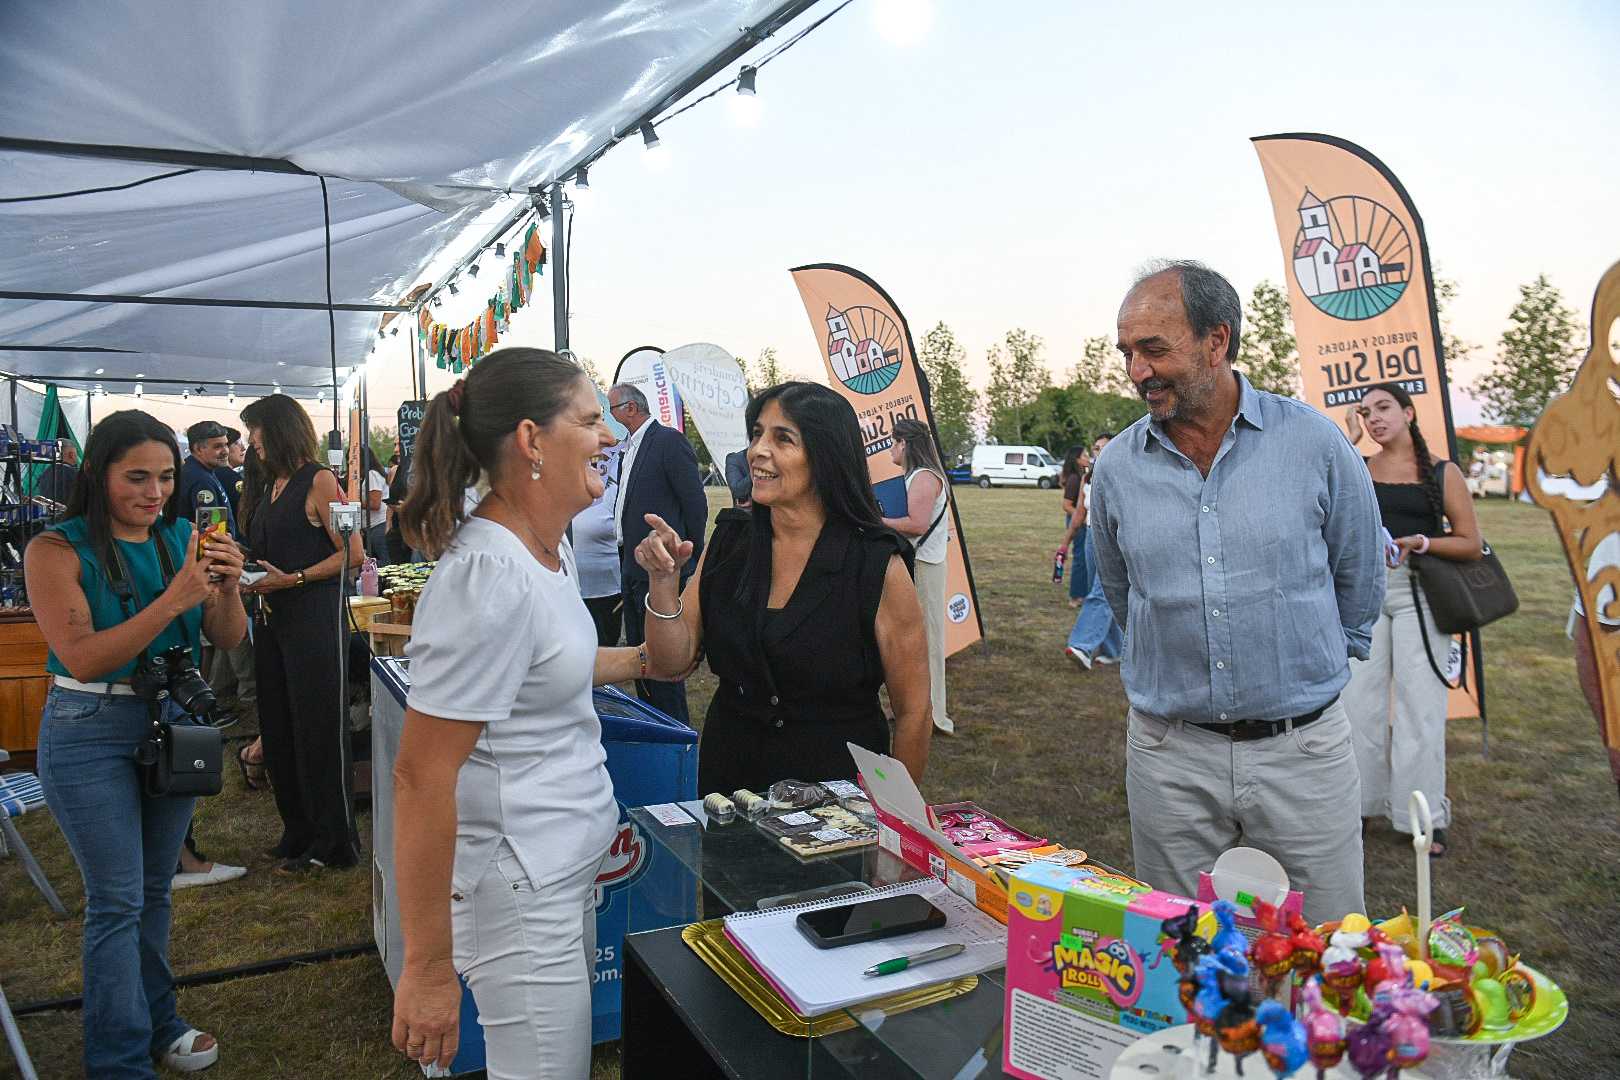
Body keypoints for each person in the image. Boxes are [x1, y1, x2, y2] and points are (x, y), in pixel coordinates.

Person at [389, 348, 657, 1078]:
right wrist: (428, 967)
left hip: (559, 872)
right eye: (591, 420)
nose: (610, 436)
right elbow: (419, 777)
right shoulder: (489, 573)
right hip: (518, 890)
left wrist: (642, 657)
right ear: (532, 440)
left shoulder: (545, 546)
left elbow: (542, 667)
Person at [1090, 260, 1382, 925]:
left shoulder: (1312, 442)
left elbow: (1359, 569)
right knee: (1178, 945)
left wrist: (1306, 667)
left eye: (1154, 348)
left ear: (1217, 340)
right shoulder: (1116, 468)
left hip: (1302, 751)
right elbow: (1120, 588)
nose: (1137, 371)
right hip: (1170, 757)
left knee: (1330, 944)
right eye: (1127, 352)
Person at [24, 409, 247, 1077]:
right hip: (88, 726)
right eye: (137, 478)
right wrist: (176, 599)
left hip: (172, 720)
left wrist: (228, 586)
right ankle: (118, 1059)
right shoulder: (55, 550)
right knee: (117, 899)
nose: (155, 493)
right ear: (98, 473)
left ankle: (159, 1022)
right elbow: (84, 656)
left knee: (154, 889)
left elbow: (228, 637)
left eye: (166, 477)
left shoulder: (183, 536)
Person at [636, 381, 933, 795]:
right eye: (757, 434)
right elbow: (670, 662)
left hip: (836, 796)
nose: (757, 450)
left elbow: (914, 711)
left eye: (783, 438)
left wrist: (895, 813)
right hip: (731, 783)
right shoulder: (730, 542)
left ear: (827, 455)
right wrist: (663, 582)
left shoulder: (876, 563)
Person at [1342, 383, 1482, 857]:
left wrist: (1422, 542)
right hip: (1365, 592)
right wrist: (1350, 442)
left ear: (1409, 413)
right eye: (1366, 412)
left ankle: (1421, 818)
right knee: (1358, 705)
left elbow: (1470, 543)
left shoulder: (1442, 472)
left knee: (1420, 708)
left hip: (1421, 592)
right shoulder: (1358, 466)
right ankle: (1359, 808)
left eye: (1383, 408)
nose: (1374, 418)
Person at [238, 394, 363, 874]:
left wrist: (293, 579)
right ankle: (298, 830)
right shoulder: (269, 484)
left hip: (313, 618)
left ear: (278, 429)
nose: (251, 440)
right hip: (272, 619)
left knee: (317, 729)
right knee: (279, 726)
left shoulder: (320, 480)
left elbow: (353, 552)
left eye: (255, 429)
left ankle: (333, 841)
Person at [610, 382, 708, 724]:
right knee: (641, 656)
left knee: (662, 660)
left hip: (660, 568)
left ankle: (673, 730)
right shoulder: (629, 449)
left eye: (612, 408)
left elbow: (695, 503)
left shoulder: (667, 441)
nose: (609, 415)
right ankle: (652, 723)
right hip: (630, 562)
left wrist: (688, 557)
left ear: (631, 408)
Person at [881, 417, 954, 735]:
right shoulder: (921, 475)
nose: (890, 449)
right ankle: (914, 708)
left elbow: (917, 525)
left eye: (892, 443)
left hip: (924, 565)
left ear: (904, 444)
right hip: (922, 564)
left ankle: (933, 714)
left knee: (927, 642)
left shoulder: (923, 476)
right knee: (913, 642)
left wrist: (877, 521)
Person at [1064, 432, 1123, 670]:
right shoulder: (1086, 479)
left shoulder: (1123, 475)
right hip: (1090, 537)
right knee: (1100, 593)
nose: (1099, 453)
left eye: (1104, 448)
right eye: (1096, 449)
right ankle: (1114, 649)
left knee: (1101, 592)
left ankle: (1081, 646)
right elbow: (1080, 512)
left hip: (1114, 539)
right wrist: (1065, 543)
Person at [573, 445, 624, 645]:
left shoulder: (622, 466)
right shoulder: (563, 465)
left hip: (606, 588)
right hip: (565, 584)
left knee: (602, 646)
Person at [178, 421, 237, 534]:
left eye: (226, 445)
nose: (225, 451)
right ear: (199, 449)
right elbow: (211, 533)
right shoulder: (201, 480)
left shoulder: (198, 471)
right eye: (217, 446)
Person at [1057, 445, 1089, 607]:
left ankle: (1084, 593)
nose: (1088, 457)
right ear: (1077, 459)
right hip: (1078, 524)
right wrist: (1083, 519)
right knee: (1080, 558)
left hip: (1081, 521)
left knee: (1086, 558)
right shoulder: (1074, 479)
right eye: (1085, 455)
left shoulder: (1083, 476)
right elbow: (1066, 505)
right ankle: (1076, 596)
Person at [359, 446, 390, 564]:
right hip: (374, 526)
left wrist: (353, 501)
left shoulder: (372, 475)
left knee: (385, 561)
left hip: (378, 525)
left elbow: (375, 503)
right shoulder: (372, 474)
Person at [36, 437, 79, 506]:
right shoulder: (77, 475)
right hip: (67, 512)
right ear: (72, 455)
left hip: (45, 510)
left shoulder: (44, 473)